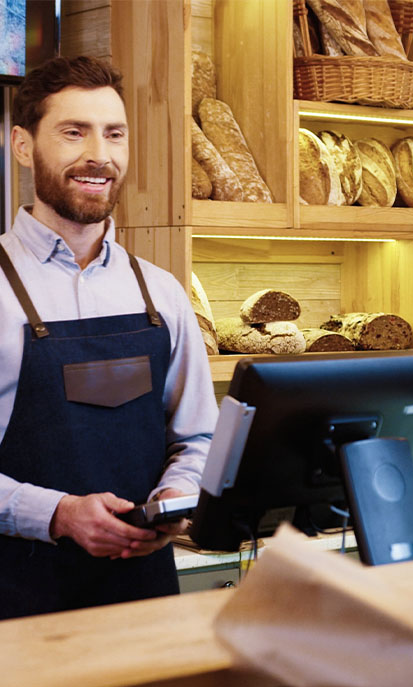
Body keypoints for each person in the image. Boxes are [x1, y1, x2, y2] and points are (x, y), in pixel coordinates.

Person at [0, 56, 219, 619]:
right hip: (16, 608)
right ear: (23, 146)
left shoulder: (162, 294)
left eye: (114, 134)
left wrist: (177, 496)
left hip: (142, 601)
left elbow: (197, 438)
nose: (99, 154)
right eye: (74, 132)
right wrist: (56, 514)